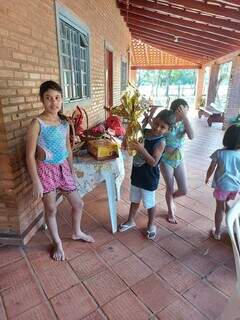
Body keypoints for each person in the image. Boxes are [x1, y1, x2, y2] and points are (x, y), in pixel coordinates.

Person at [26, 80, 94, 261]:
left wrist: (71, 170)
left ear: (62, 99)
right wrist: (35, 181)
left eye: (57, 97)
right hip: (45, 170)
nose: (53, 102)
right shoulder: (37, 123)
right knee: (51, 209)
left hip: (64, 168)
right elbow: (30, 155)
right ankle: (57, 243)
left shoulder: (64, 123)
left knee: (78, 204)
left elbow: (68, 149)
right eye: (48, 98)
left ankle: (77, 232)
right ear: (42, 100)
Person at [119, 109, 176, 239]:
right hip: (137, 174)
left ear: (168, 130)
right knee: (134, 199)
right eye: (157, 123)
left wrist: (141, 149)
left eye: (163, 127)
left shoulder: (160, 142)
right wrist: (127, 142)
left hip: (149, 178)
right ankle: (130, 220)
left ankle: (151, 225)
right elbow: (132, 143)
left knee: (149, 203)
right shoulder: (144, 132)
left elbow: (154, 162)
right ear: (154, 119)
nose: (158, 128)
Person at [160, 99, 194, 224]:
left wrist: (185, 118)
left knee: (184, 190)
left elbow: (192, 136)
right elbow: (157, 131)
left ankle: (170, 199)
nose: (184, 114)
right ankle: (170, 210)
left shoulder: (184, 123)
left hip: (179, 159)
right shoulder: (168, 123)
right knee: (170, 186)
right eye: (181, 111)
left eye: (185, 111)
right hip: (166, 160)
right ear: (174, 111)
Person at [205, 124, 240, 240]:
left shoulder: (219, 153)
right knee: (228, 205)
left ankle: (218, 232)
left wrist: (207, 177)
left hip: (222, 187)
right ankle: (233, 226)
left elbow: (211, 168)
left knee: (219, 209)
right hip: (235, 187)